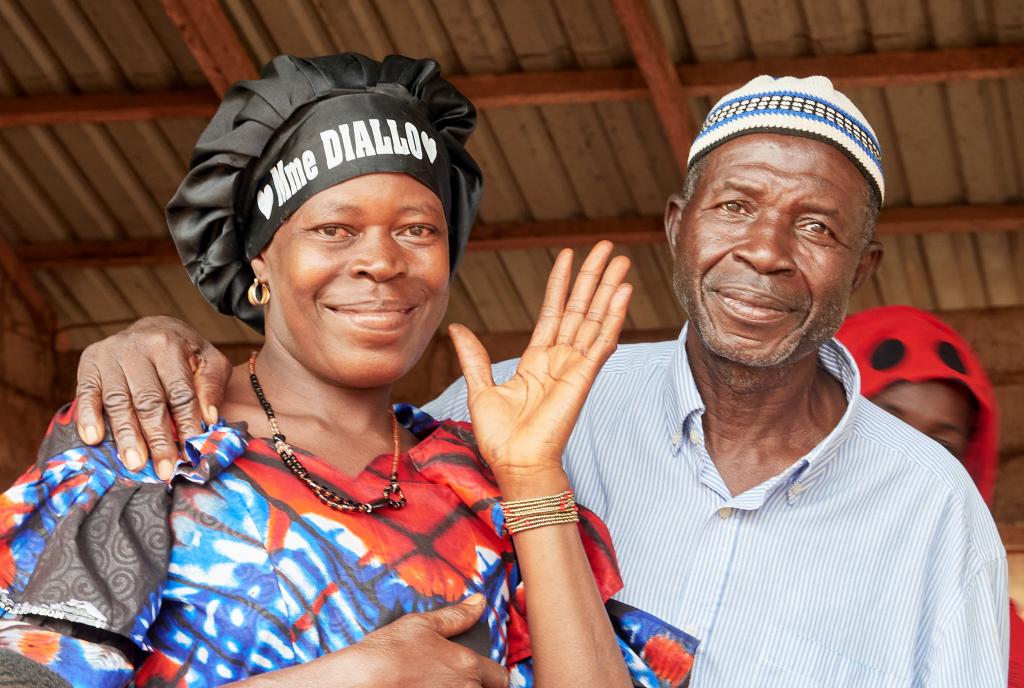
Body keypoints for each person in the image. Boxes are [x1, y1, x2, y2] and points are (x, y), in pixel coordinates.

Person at [65, 75, 1009, 685]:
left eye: (817, 227)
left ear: (864, 267)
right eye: (734, 206)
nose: (764, 253)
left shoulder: (930, 506)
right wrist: (147, 341)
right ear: (678, 224)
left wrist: (533, 482)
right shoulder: (503, 411)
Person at [0, 53, 697, 688]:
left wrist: (532, 474)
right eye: (334, 229)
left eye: (418, 229)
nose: (382, 261)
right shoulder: (150, 438)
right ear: (260, 261)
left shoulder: (472, 481)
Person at [837, 305, 1023, 687]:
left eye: (940, 447)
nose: (911, 459)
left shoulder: (990, 631)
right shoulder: (723, 545)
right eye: (882, 424)